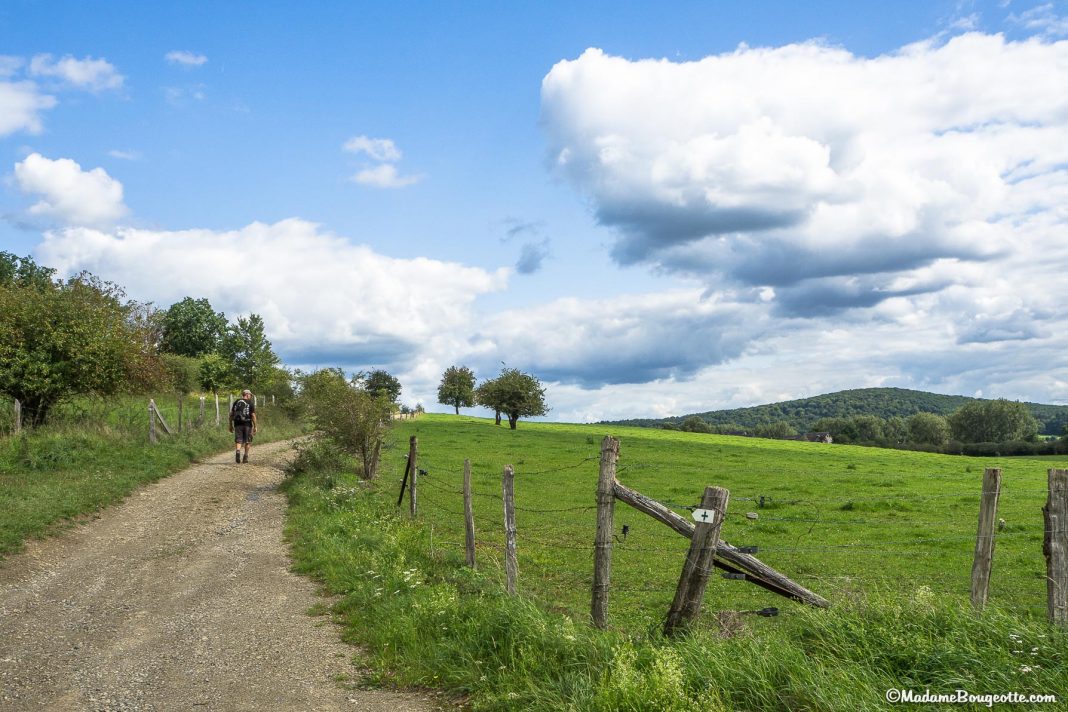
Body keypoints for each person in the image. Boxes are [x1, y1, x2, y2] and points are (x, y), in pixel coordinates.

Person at [228, 389, 257, 463]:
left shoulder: (236, 402)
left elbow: (231, 414)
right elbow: (253, 415)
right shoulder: (250, 403)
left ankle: (238, 451)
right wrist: (255, 426)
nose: (250, 396)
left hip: (237, 424)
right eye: (250, 395)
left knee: (239, 440)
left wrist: (230, 425)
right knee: (248, 441)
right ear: (247, 394)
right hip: (247, 424)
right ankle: (245, 457)